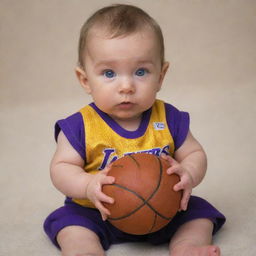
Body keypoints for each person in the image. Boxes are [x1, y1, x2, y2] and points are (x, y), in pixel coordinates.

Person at [44, 4, 225, 256]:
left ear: (161, 76)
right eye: (109, 73)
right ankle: (85, 251)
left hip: (163, 209)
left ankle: (187, 247)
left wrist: (189, 173)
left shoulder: (169, 118)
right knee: (70, 225)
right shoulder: (80, 125)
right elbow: (61, 169)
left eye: (141, 72)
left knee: (200, 213)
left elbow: (195, 154)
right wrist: (88, 185)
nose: (127, 86)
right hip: (97, 211)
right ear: (85, 80)